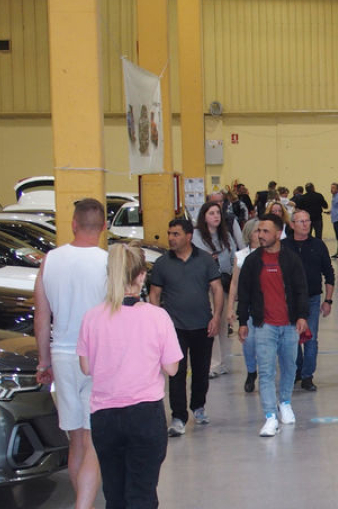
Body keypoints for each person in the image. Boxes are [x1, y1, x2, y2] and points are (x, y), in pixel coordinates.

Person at [78, 244, 182, 509]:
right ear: (141, 276)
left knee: (115, 495)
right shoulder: (157, 317)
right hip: (144, 415)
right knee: (142, 494)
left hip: (104, 417)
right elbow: (172, 368)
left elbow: (86, 367)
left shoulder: (91, 318)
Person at [34, 198, 109, 509]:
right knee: (94, 439)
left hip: (63, 356)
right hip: (98, 357)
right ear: (104, 227)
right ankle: (84, 505)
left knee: (76, 440)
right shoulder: (108, 262)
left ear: (73, 224)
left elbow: (42, 315)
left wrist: (44, 361)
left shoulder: (50, 260)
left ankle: (83, 502)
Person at [148, 218, 224, 436]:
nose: (171, 238)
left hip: (202, 325)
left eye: (176, 234)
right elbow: (154, 294)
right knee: (176, 373)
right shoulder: (162, 263)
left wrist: (216, 317)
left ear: (189, 236)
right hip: (174, 329)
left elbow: (217, 289)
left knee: (201, 371)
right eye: (169, 234)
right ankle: (178, 416)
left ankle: (198, 406)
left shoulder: (205, 260)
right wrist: (159, 323)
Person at [236, 214, 310, 436]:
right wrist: (242, 322)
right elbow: (244, 294)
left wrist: (302, 316)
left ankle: (284, 402)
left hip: (289, 325)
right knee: (266, 371)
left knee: (289, 366)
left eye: (265, 231)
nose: (260, 235)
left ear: (278, 234)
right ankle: (270, 416)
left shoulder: (291, 259)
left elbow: (301, 289)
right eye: (259, 231)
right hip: (264, 326)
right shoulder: (252, 262)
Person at [285, 209, 335, 391]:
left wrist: (328, 300)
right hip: (289, 300)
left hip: (312, 298)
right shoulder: (283, 246)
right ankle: (297, 369)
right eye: (301, 221)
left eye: (307, 221)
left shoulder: (318, 245)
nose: (305, 224)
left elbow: (329, 273)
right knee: (292, 337)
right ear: (292, 225)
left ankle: (307, 376)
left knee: (310, 337)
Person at [192, 202, 239, 379]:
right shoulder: (196, 236)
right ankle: (212, 363)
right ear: (204, 216)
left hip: (224, 284)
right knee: (211, 323)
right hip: (205, 287)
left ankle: (223, 362)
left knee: (224, 324)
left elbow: (234, 257)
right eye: (211, 213)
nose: (216, 216)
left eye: (218, 213)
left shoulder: (225, 235)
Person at [229, 219, 262, 393]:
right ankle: (251, 371)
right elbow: (234, 283)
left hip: (267, 305)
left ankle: (266, 373)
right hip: (248, 305)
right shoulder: (241, 256)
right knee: (249, 341)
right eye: (257, 231)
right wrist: (230, 308)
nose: (261, 234)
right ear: (249, 234)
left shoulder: (271, 252)